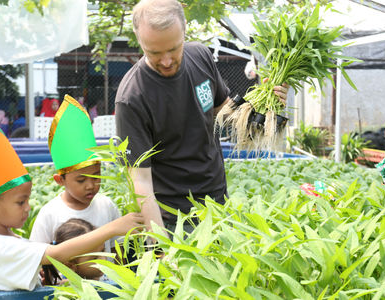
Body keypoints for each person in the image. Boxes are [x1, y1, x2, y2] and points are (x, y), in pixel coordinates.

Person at [114, 0, 289, 232]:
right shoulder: (132, 98)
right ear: (139, 40)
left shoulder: (201, 57)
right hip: (172, 217)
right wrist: (159, 245)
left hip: (217, 203)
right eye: (154, 52)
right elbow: (141, 181)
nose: (166, 61)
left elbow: (226, 114)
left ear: (184, 29)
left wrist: (266, 107)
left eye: (173, 49)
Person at [0, 115, 143, 292]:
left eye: (27, 200)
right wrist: (112, 228)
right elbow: (57, 254)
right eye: (20, 202)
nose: (28, 207)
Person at [30, 95, 121, 256]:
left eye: (96, 176)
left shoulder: (107, 206)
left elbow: (118, 250)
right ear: (60, 180)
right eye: (81, 180)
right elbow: (36, 257)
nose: (90, 185)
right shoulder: (50, 214)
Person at [42, 218, 105, 285]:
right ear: (70, 265)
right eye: (94, 258)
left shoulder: (109, 277)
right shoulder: (62, 287)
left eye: (103, 251)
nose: (103, 260)